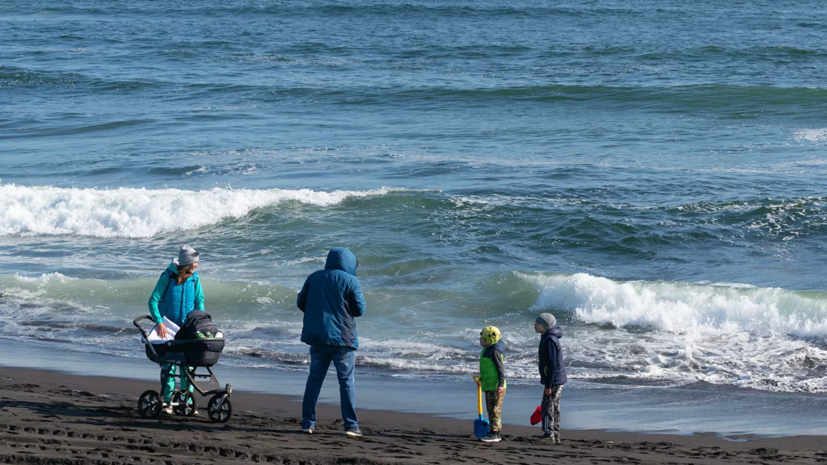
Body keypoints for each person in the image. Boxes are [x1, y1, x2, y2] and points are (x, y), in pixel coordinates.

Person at [297, 247, 366, 438]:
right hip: (343, 340)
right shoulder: (351, 280)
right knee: (346, 382)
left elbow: (301, 302)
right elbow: (360, 309)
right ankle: (351, 426)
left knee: (314, 380)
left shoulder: (314, 277)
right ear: (350, 263)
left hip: (318, 337)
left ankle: (308, 423)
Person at [148, 245, 205, 414]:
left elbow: (199, 302)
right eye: (194, 262)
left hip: (188, 330)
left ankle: (187, 401)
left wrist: (198, 320)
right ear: (187, 263)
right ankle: (167, 401)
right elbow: (153, 300)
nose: (197, 265)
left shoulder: (195, 279)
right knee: (169, 366)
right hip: (169, 330)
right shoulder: (167, 277)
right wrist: (159, 322)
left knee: (189, 366)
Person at [535, 312, 567, 444]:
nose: (535, 325)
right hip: (556, 379)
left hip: (553, 380)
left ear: (546, 326)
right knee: (554, 405)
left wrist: (548, 385)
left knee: (547, 406)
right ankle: (555, 432)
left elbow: (552, 364)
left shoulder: (549, 340)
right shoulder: (548, 336)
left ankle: (549, 434)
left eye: (538, 323)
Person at [478, 326, 506, 443]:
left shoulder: (494, 351)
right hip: (488, 383)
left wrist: (500, 384)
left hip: (495, 386)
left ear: (489, 340)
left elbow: (500, 369)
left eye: (483, 338)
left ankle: (495, 434)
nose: (480, 340)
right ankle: (492, 430)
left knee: (495, 410)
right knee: (490, 409)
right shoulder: (487, 348)